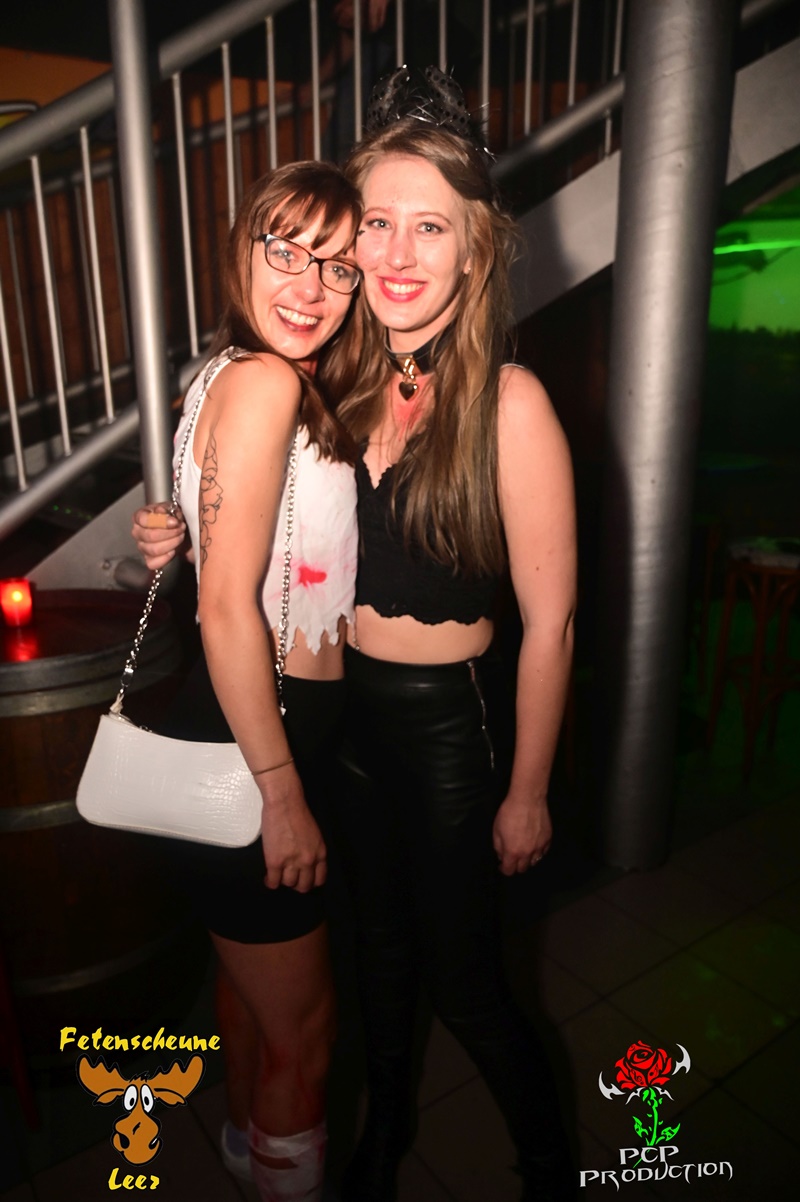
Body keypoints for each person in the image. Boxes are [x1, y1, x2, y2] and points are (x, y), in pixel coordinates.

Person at [331, 67, 578, 1201]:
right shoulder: (336, 382)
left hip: (448, 739)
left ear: (474, 250)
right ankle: (382, 1140)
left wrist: (526, 791)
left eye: (429, 226)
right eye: (377, 221)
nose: (396, 251)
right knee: (375, 961)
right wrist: (173, 530)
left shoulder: (511, 405)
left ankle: (547, 1165)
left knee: (468, 985)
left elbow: (551, 623)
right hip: (345, 724)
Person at [132, 160, 364, 1202]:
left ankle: (242, 1141)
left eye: (338, 266)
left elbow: (218, 549)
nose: (311, 286)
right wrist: (280, 792)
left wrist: (172, 536)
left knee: (247, 985)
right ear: (242, 250)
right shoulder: (268, 382)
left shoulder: (222, 373)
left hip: (229, 729)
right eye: (287, 251)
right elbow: (228, 609)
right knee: (305, 1034)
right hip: (252, 741)